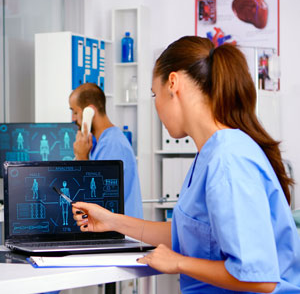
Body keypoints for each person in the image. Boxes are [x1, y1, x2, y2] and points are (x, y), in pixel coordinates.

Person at [72, 36, 300, 293]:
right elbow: (188, 236)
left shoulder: (228, 161)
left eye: (154, 94)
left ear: (173, 83)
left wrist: (179, 263)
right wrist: (112, 221)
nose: (156, 105)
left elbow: (259, 278)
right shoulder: (211, 154)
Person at [69, 83, 143, 219]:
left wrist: (81, 157)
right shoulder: (101, 143)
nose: (73, 118)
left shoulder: (112, 145)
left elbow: (98, 200)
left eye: (75, 112)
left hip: (122, 232)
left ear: (89, 112)